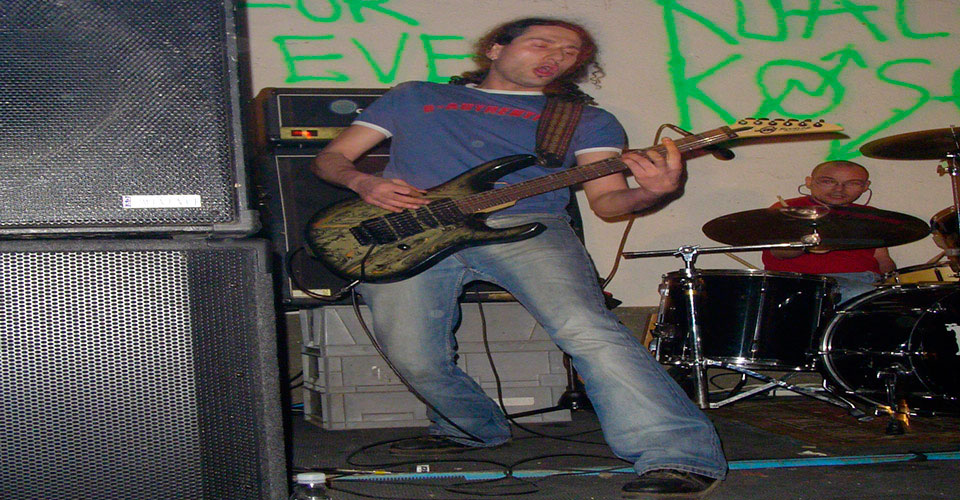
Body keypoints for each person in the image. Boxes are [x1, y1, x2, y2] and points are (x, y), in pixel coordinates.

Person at [311, 17, 727, 499]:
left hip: (527, 223)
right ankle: (470, 427)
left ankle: (678, 454)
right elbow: (331, 159)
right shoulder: (415, 96)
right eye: (542, 43)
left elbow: (609, 202)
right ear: (495, 48)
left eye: (569, 52)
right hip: (409, 228)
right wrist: (364, 182)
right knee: (412, 353)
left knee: (586, 328)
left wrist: (654, 191)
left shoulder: (584, 119)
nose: (556, 56)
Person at [762, 160, 896, 303]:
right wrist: (809, 245)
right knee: (860, 294)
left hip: (866, 280)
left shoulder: (870, 215)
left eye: (852, 183)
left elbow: (883, 259)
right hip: (802, 281)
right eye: (828, 181)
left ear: (865, 186)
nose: (839, 189)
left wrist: (893, 282)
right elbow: (779, 252)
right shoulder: (789, 208)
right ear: (809, 182)